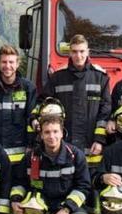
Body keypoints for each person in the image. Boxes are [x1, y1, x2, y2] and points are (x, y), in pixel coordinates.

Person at [11, 113, 91, 214]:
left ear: (62, 133)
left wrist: (66, 209)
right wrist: (15, 200)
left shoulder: (75, 156)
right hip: (42, 210)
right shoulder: (31, 157)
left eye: (55, 131)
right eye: (47, 132)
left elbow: (83, 186)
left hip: (68, 208)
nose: (51, 136)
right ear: (41, 135)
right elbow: (19, 182)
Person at [46, 34, 111, 167]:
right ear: (69, 53)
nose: (78, 56)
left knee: (91, 176)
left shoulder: (100, 77)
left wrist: (99, 140)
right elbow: (46, 104)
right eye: (75, 52)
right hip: (64, 142)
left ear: (88, 52)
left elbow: (105, 111)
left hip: (92, 145)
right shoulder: (57, 77)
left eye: (82, 51)